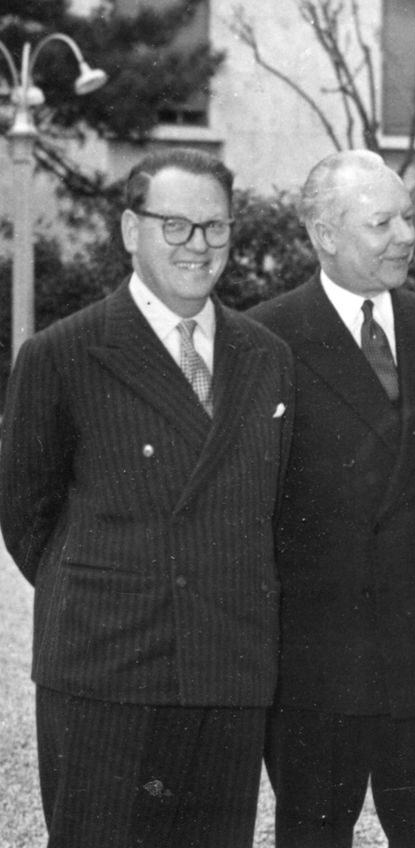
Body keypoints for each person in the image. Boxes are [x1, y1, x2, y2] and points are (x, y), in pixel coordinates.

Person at [0, 147, 293, 848]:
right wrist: (121, 587)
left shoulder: (267, 355)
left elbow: (274, 508)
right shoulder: (62, 354)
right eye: (176, 225)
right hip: (107, 670)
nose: (199, 246)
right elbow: (27, 515)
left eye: (216, 227)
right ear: (130, 230)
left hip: (226, 670)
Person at [248, 150, 415, 848]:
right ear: (325, 235)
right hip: (317, 667)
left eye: (408, 216)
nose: (406, 235)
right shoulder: (263, 339)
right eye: (383, 222)